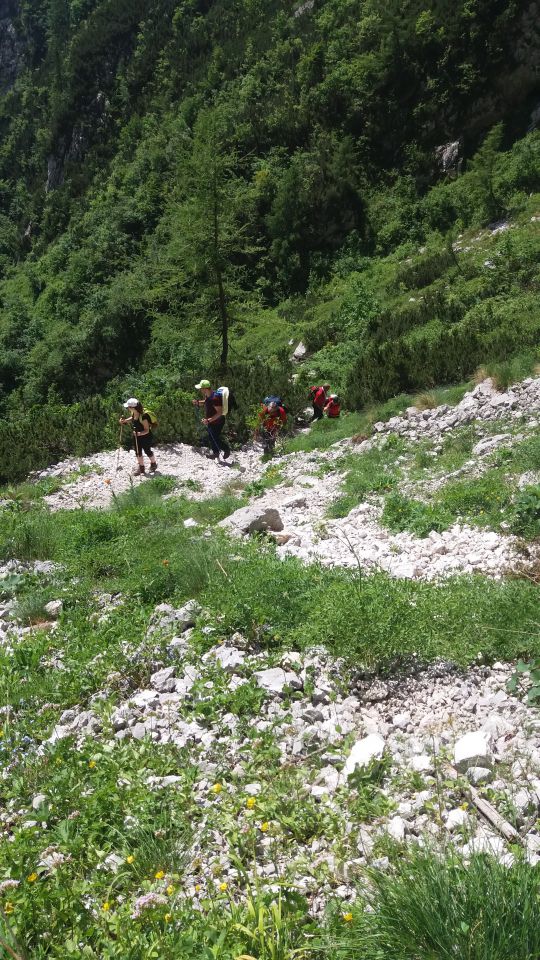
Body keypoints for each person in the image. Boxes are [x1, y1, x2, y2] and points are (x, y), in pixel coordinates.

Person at [193, 379, 231, 460]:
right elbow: (206, 402)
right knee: (211, 437)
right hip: (212, 421)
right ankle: (216, 453)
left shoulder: (215, 398)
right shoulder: (208, 395)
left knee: (214, 437)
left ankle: (226, 449)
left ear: (205, 389)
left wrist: (208, 420)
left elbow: (220, 412)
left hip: (218, 421)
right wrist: (198, 402)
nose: (200, 390)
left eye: (201, 388)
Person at [119, 399, 158, 476]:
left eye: (128, 407)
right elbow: (132, 418)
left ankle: (153, 464)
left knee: (147, 451)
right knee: (138, 452)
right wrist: (125, 421)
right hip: (137, 436)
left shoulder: (143, 417)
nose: (127, 409)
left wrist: (139, 433)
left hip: (146, 437)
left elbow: (147, 430)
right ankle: (141, 467)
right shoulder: (134, 413)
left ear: (133, 408)